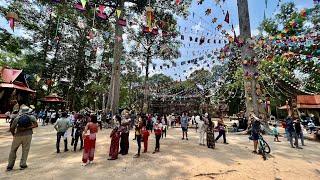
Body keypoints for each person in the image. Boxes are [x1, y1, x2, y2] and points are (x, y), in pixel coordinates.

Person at [7, 105, 38, 171]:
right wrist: (27, 128)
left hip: (17, 135)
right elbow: (36, 125)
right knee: (25, 150)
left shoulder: (17, 118)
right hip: (28, 135)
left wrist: (14, 134)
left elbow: (12, 128)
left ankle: (10, 165)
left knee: (13, 150)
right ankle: (23, 164)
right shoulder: (32, 117)